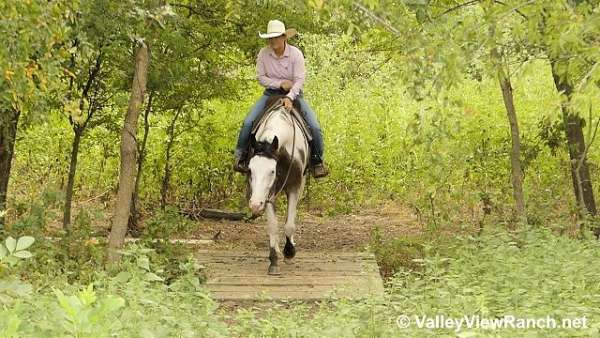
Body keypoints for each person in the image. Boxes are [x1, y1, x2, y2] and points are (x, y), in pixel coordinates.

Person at [233, 19, 329, 178]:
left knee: (314, 126)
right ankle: (241, 156)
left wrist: (290, 96)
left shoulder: (296, 54)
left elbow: (299, 80)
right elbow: (261, 78)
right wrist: (280, 83)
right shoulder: (263, 54)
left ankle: (317, 161)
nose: (273, 41)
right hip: (271, 94)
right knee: (249, 121)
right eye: (270, 38)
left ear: (284, 37)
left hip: (294, 94)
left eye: (276, 37)